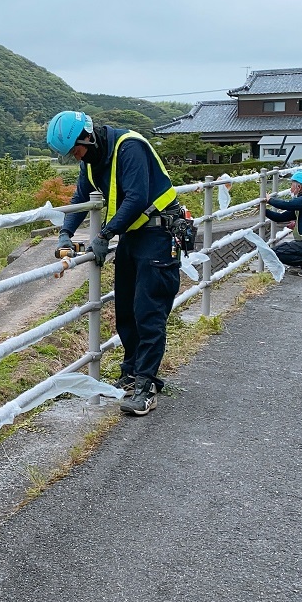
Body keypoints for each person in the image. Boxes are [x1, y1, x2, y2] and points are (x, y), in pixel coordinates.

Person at [48, 110, 182, 417]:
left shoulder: (130, 147)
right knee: (125, 310)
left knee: (148, 312)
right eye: (71, 155)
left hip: (158, 235)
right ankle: (132, 371)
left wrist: (105, 233)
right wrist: (65, 233)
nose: (77, 157)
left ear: (89, 137)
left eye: (77, 150)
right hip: (132, 236)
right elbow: (81, 196)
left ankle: (145, 386)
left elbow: (136, 198)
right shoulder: (92, 161)